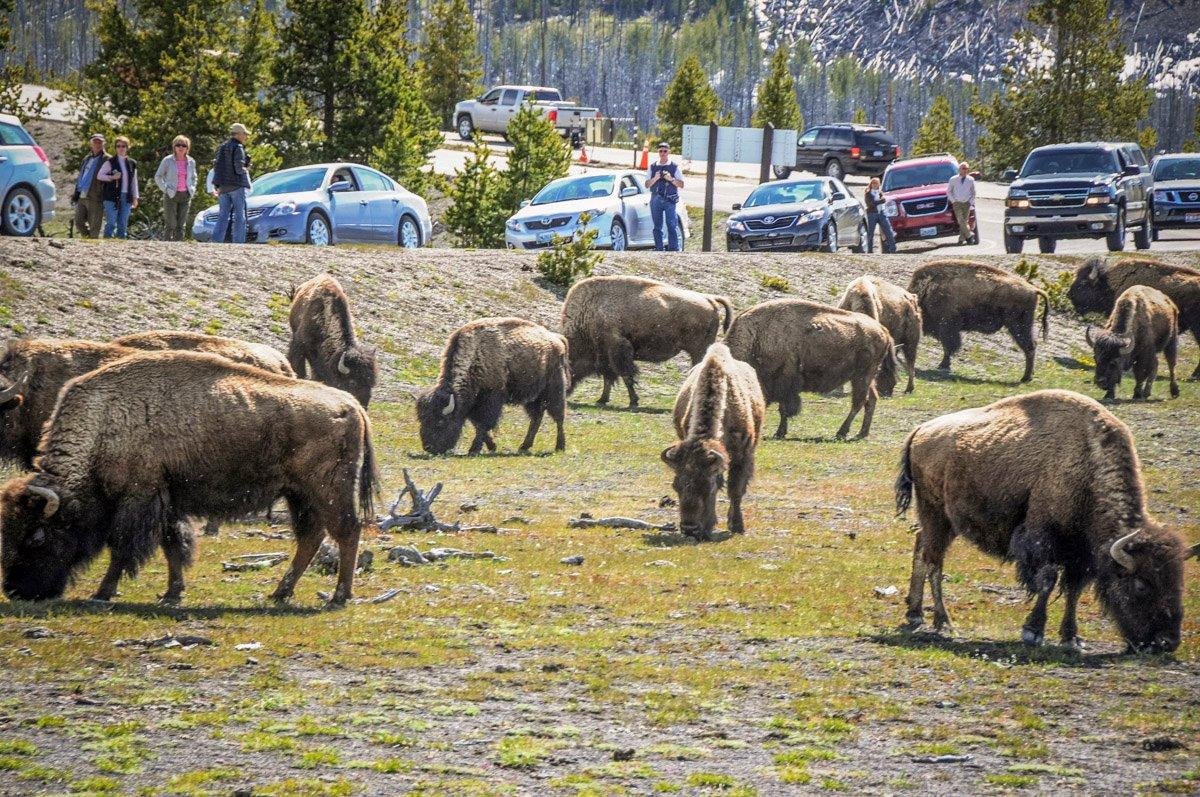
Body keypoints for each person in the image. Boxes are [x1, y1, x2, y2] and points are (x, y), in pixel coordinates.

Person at [211, 123, 252, 244]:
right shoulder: (238, 147)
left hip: (223, 187)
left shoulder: (222, 147)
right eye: (244, 134)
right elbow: (239, 169)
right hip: (236, 186)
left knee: (223, 216)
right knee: (240, 216)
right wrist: (246, 167)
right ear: (238, 134)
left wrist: (217, 185)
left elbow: (217, 167)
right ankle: (238, 242)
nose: (246, 137)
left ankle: (216, 241)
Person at [154, 135, 197, 241]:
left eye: (184, 145)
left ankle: (179, 245)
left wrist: (192, 188)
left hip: (186, 194)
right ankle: (167, 245)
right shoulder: (167, 160)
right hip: (171, 194)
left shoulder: (191, 161)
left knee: (181, 224)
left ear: (187, 148)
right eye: (178, 145)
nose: (181, 147)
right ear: (174, 147)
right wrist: (165, 189)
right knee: (170, 223)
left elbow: (194, 177)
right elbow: (158, 176)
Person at [95, 136, 139, 239]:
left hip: (126, 196)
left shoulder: (132, 163)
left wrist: (135, 197)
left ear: (127, 148)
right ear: (115, 148)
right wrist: (112, 177)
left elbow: (134, 181)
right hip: (111, 196)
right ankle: (107, 241)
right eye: (118, 146)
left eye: (123, 146)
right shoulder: (110, 162)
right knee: (111, 221)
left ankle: (121, 244)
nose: (121, 148)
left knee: (123, 222)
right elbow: (99, 176)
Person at [645, 142, 684, 252]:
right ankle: (659, 248)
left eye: (665, 151)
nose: (663, 153)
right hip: (656, 199)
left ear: (669, 152)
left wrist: (670, 179)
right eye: (660, 151)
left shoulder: (674, 167)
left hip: (670, 199)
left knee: (671, 224)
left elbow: (681, 184)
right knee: (657, 226)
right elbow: (647, 184)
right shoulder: (652, 167)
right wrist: (655, 178)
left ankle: (673, 248)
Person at [72, 133, 108, 238]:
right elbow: (81, 175)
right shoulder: (86, 159)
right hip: (82, 194)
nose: (97, 144)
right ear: (91, 144)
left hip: (96, 196)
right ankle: (88, 240)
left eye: (100, 142)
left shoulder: (107, 159)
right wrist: (76, 193)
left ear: (103, 144)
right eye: (95, 142)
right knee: (78, 222)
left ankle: (93, 246)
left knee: (95, 226)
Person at [863, 177, 896, 254]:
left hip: (881, 213)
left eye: (877, 184)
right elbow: (870, 204)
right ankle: (869, 251)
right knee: (870, 233)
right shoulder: (868, 193)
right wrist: (879, 201)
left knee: (888, 231)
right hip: (872, 214)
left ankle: (893, 249)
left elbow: (883, 200)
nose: (875, 185)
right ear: (871, 184)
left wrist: (878, 201)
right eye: (874, 183)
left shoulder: (880, 192)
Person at [947, 161, 977, 245]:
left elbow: (973, 192)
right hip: (957, 203)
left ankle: (961, 239)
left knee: (964, 221)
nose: (965, 170)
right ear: (959, 169)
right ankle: (969, 235)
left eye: (967, 169)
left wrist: (970, 202)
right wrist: (953, 201)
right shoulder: (953, 179)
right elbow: (949, 191)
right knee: (960, 220)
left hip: (966, 203)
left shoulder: (970, 180)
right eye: (963, 168)